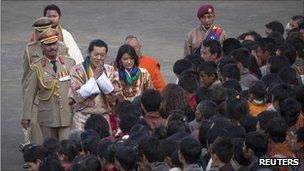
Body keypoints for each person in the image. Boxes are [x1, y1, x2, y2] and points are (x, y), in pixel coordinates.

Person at [22, 17, 69, 145]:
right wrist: (26, 113)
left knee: (66, 147)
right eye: (48, 45)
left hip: (65, 110)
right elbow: (27, 84)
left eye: (54, 44)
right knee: (45, 144)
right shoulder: (32, 56)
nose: (52, 47)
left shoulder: (65, 55)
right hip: (43, 104)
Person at [69, 39, 122, 132]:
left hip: (103, 117)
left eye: (102, 55)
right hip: (82, 117)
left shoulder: (110, 70)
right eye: (96, 54)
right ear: (89, 53)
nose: (99, 57)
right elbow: (77, 96)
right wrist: (94, 79)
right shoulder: (77, 70)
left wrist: (102, 79)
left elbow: (115, 95)